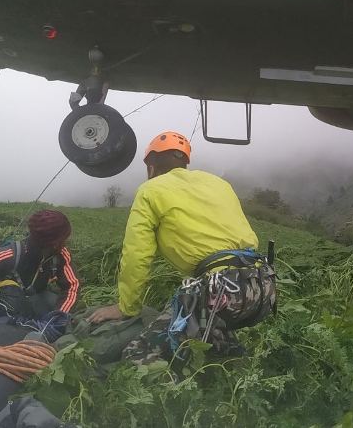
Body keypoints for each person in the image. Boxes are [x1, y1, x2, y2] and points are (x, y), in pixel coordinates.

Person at [88, 131, 276, 364]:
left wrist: (126, 307)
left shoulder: (151, 190)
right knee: (210, 345)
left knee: (138, 355)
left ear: (150, 167)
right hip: (262, 286)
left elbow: (136, 256)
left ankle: (185, 395)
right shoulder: (219, 183)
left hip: (219, 292)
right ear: (185, 161)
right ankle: (239, 376)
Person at [0, 209, 80, 323]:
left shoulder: (60, 255)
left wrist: (59, 316)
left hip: (34, 298)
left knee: (51, 301)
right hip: (3, 304)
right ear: (53, 242)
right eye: (63, 239)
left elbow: (72, 285)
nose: (65, 243)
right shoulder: (9, 255)